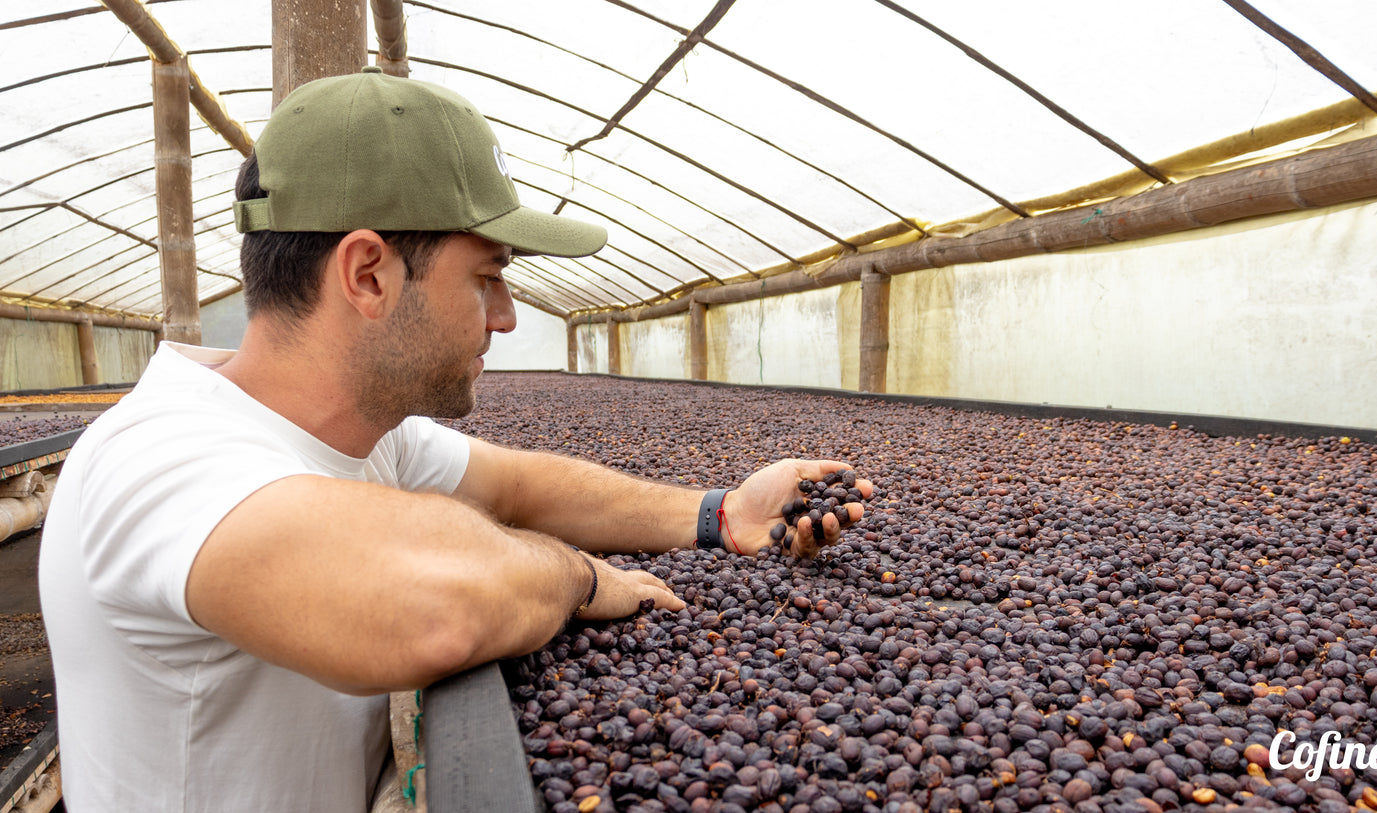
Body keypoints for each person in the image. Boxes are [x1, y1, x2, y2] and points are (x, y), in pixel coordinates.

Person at [38, 67, 871, 811]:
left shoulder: (361, 434)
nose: (506, 317)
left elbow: (518, 487)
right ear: (368, 275)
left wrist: (717, 513)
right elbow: (436, 608)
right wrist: (583, 577)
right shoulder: (161, 460)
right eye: (486, 279)